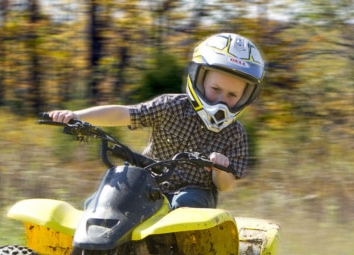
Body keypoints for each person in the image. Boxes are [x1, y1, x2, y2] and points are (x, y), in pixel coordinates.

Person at [48, 32, 265, 209]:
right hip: (147, 180)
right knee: (102, 200)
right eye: (215, 89)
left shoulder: (235, 134)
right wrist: (77, 116)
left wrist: (220, 168)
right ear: (199, 80)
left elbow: (225, 186)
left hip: (195, 194)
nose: (221, 100)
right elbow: (125, 114)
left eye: (232, 95)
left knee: (184, 204)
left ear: (245, 97)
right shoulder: (170, 106)